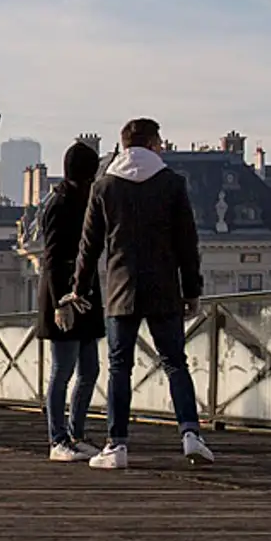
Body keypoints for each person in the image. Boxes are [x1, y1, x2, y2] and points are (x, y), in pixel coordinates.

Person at [69, 118, 215, 470]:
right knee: (175, 363)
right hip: (165, 287)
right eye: (160, 141)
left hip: (121, 288)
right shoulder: (172, 184)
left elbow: (89, 247)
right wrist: (192, 289)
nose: (163, 146)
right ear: (151, 144)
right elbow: (187, 242)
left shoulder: (104, 187)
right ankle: (190, 433)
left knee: (120, 367)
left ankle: (116, 445)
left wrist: (79, 288)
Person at [37, 139, 106, 462]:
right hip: (64, 293)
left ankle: (75, 433)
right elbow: (50, 259)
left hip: (85, 292)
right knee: (62, 370)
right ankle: (58, 439)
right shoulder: (59, 205)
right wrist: (58, 303)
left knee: (89, 369)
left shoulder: (79, 199)